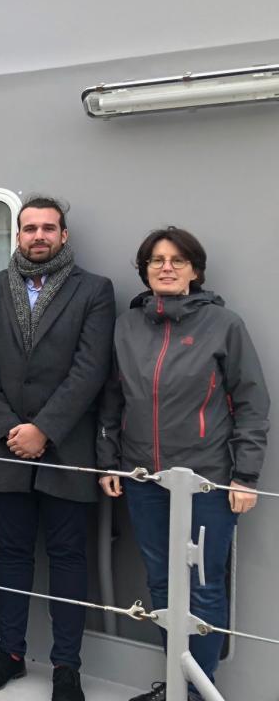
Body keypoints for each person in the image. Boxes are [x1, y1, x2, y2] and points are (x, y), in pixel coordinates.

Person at [98, 228, 270, 701]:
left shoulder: (224, 324)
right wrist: (109, 461)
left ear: (195, 270)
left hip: (207, 482)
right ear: (145, 269)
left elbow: (251, 402)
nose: (166, 267)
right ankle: (177, 680)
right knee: (161, 584)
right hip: (143, 478)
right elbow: (113, 399)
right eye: (156, 260)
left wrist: (245, 475)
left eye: (177, 259)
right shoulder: (126, 325)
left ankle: (198, 690)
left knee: (203, 587)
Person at [0, 196, 115, 701]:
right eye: (29, 228)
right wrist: (12, 428)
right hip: (4, 445)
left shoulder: (94, 290)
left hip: (67, 447)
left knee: (68, 557)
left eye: (48, 228)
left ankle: (65, 668)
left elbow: (90, 370)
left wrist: (44, 430)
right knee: (11, 553)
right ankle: (9, 653)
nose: (38, 236)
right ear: (18, 235)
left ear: (63, 235)